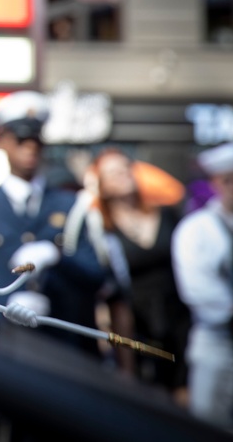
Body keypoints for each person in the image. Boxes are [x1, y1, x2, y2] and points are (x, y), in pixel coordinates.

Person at [0, 92, 110, 358]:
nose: (30, 146)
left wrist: (58, 256)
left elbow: (96, 276)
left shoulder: (72, 205)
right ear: (1, 142)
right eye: (21, 138)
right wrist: (3, 304)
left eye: (36, 138)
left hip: (61, 344)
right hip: (0, 345)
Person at [63, 149, 191, 397]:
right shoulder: (99, 228)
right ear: (101, 184)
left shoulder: (166, 213)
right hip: (134, 322)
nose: (123, 175)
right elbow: (112, 292)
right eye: (113, 172)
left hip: (178, 317)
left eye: (125, 168)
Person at [172, 142, 233, 430]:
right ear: (216, 183)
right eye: (230, 180)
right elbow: (201, 293)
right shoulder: (195, 228)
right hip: (219, 343)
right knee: (211, 425)